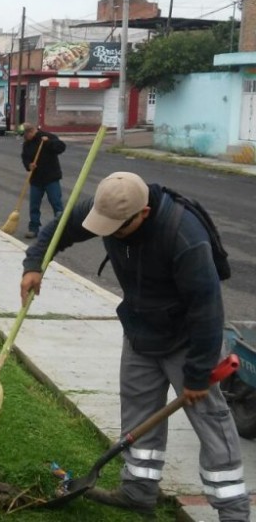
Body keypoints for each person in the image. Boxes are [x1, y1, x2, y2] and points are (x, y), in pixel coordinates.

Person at [20, 172, 249, 520]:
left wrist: (199, 373)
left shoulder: (184, 234)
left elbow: (207, 308)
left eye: (116, 228)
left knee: (211, 422)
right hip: (140, 329)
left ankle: (233, 511)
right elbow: (61, 227)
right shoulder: (110, 208)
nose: (107, 232)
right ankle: (138, 492)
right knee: (139, 413)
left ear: (142, 214)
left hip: (186, 338)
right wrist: (35, 264)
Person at [21, 122, 66, 238]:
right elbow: (25, 157)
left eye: (25, 135)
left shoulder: (48, 137)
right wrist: (29, 165)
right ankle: (33, 228)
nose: (25, 138)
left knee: (56, 203)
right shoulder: (27, 144)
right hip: (36, 179)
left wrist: (49, 143)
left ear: (31, 132)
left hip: (51, 178)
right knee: (34, 205)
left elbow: (61, 148)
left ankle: (60, 229)